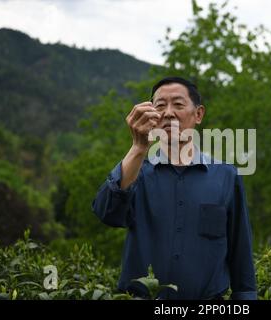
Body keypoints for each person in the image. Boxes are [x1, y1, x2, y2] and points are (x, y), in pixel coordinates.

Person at [92, 76, 257, 300]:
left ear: (198, 114)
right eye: (160, 106)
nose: (168, 113)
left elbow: (241, 253)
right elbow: (107, 214)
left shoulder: (226, 175)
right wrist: (139, 148)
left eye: (178, 104)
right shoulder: (136, 172)